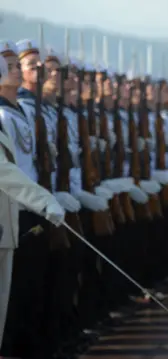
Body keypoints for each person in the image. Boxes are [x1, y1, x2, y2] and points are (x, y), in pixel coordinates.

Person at [0, 50, 66, 349]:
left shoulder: (22, 111)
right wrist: (43, 199)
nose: (12, 71)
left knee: (29, 290)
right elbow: (6, 171)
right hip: (17, 208)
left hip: (17, 214)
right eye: (9, 67)